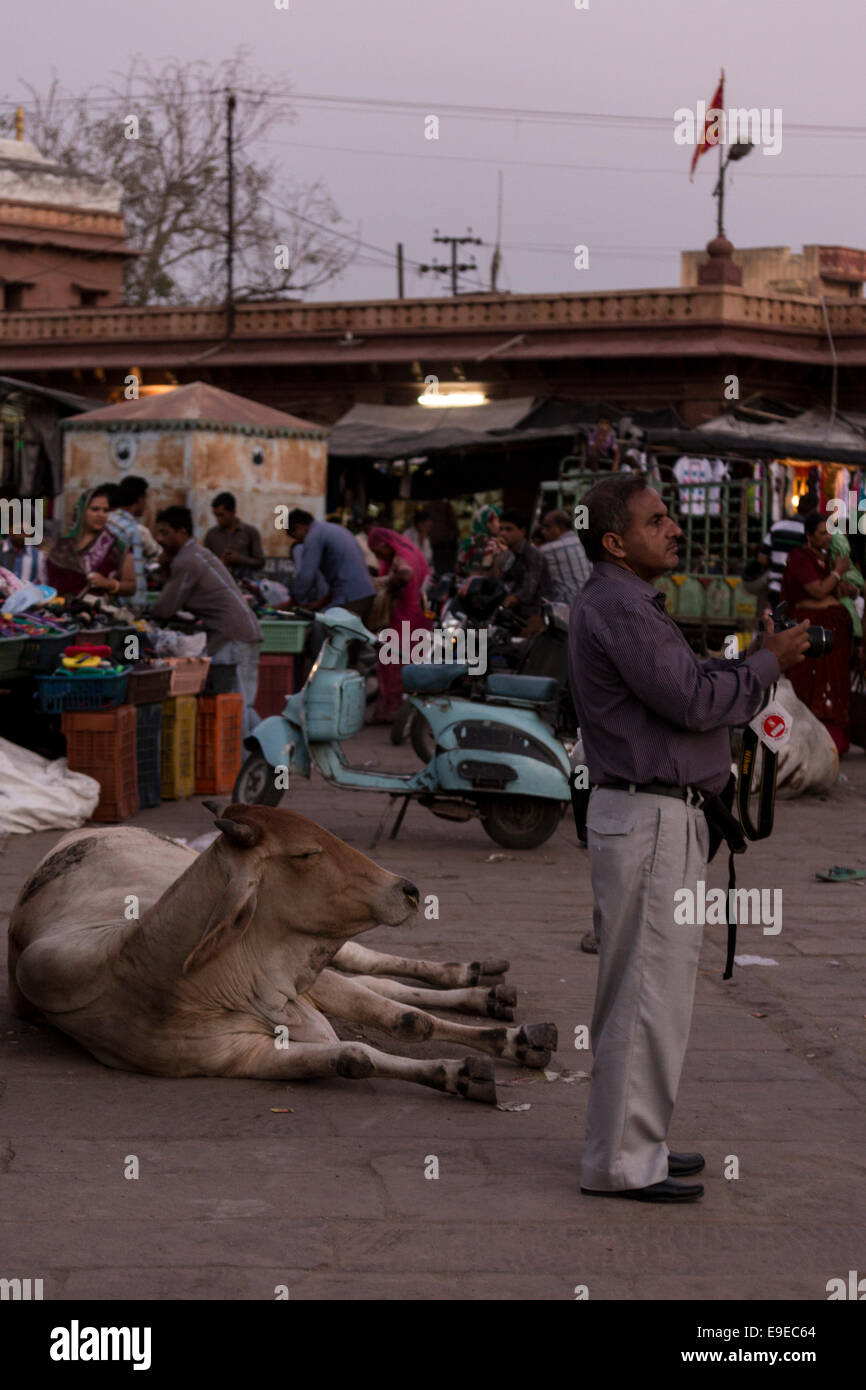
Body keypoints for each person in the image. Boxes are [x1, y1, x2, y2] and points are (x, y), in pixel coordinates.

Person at [569, 473, 810, 1203]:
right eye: (657, 520)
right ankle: (622, 1165)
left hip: (655, 817)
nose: (674, 529)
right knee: (647, 993)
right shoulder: (621, 607)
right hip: (648, 819)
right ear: (616, 541)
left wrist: (749, 663)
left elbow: (688, 683)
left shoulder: (628, 603)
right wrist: (767, 665)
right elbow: (694, 700)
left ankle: (638, 1144)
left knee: (651, 994)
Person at [152, 507, 262, 738]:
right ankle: (264, 761)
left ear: (181, 532)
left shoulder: (186, 561)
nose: (159, 539)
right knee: (244, 704)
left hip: (231, 637)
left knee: (236, 706)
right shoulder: (198, 553)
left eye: (164, 533)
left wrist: (145, 617)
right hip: (244, 632)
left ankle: (249, 763)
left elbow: (166, 607)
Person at [780, 510, 855, 755]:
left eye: (829, 533)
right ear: (809, 535)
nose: (827, 538)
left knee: (833, 685)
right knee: (811, 684)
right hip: (811, 630)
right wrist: (837, 573)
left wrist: (845, 585)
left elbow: (835, 591)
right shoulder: (800, 558)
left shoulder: (826, 559)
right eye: (822, 533)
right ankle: (806, 742)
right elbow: (818, 591)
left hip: (833, 633)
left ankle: (831, 744)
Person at [367, 526, 430, 722]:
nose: (379, 557)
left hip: (403, 617)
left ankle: (393, 710)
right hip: (416, 616)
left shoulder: (401, 558)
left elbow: (405, 574)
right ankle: (405, 712)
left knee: (392, 662)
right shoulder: (410, 551)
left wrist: (386, 584)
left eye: (379, 552)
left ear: (387, 544)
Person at [46, 485, 136, 600]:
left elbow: (131, 587)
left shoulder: (116, 546)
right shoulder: (63, 544)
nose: (101, 515)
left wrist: (108, 583)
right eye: (95, 509)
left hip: (93, 612)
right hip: (55, 608)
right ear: (82, 511)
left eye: (105, 510)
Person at [286, 510, 376, 624]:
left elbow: (307, 575)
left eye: (296, 537)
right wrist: (321, 601)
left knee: (322, 626)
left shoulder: (313, 536)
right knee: (350, 636)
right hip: (364, 592)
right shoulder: (332, 529)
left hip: (351, 595)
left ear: (298, 527)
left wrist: (293, 600)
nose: (299, 542)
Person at [494, 508, 552, 626]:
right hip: (512, 615)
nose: (503, 533)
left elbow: (527, 591)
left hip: (536, 614)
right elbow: (497, 581)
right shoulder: (507, 555)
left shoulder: (533, 555)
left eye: (509, 529)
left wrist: (506, 602)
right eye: (501, 529)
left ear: (522, 532)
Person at [106, 474, 151, 606]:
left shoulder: (108, 520)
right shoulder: (131, 529)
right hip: (124, 599)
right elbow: (135, 570)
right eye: (145, 499)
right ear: (139, 500)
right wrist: (136, 601)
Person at [204, 492, 265, 580]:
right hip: (218, 584)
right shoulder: (211, 535)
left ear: (233, 512)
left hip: (244, 585)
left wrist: (239, 559)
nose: (218, 519)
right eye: (216, 515)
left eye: (221, 515)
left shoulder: (250, 532)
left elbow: (260, 563)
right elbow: (205, 562)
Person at [539, 508, 591, 604]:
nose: (543, 532)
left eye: (546, 527)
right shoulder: (584, 543)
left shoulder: (548, 550)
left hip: (567, 609)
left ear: (558, 527)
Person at [456, 504, 503, 577]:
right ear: (487, 523)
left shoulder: (469, 541)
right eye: (498, 521)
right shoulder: (491, 543)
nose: (501, 525)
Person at [0, 516, 47, 585]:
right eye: (19, 530)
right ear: (9, 529)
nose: (22, 535)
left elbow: (42, 584)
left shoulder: (37, 555)